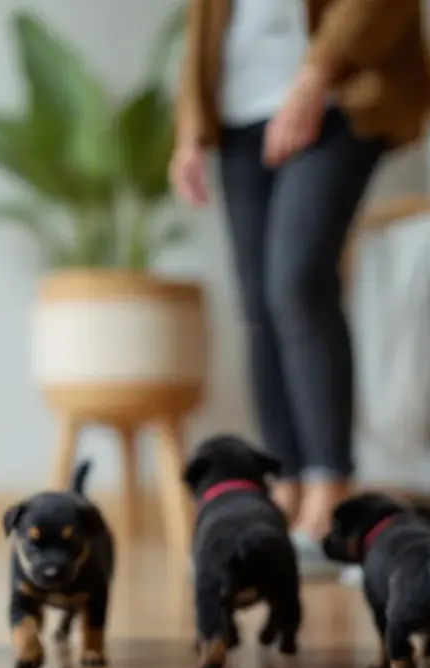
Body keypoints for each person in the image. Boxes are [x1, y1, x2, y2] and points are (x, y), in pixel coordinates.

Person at [170, 0, 430, 577]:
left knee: (298, 283)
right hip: (239, 106)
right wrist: (191, 126)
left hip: (340, 97)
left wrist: (316, 76)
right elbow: (205, 21)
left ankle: (330, 493)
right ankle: (284, 489)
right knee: (259, 303)